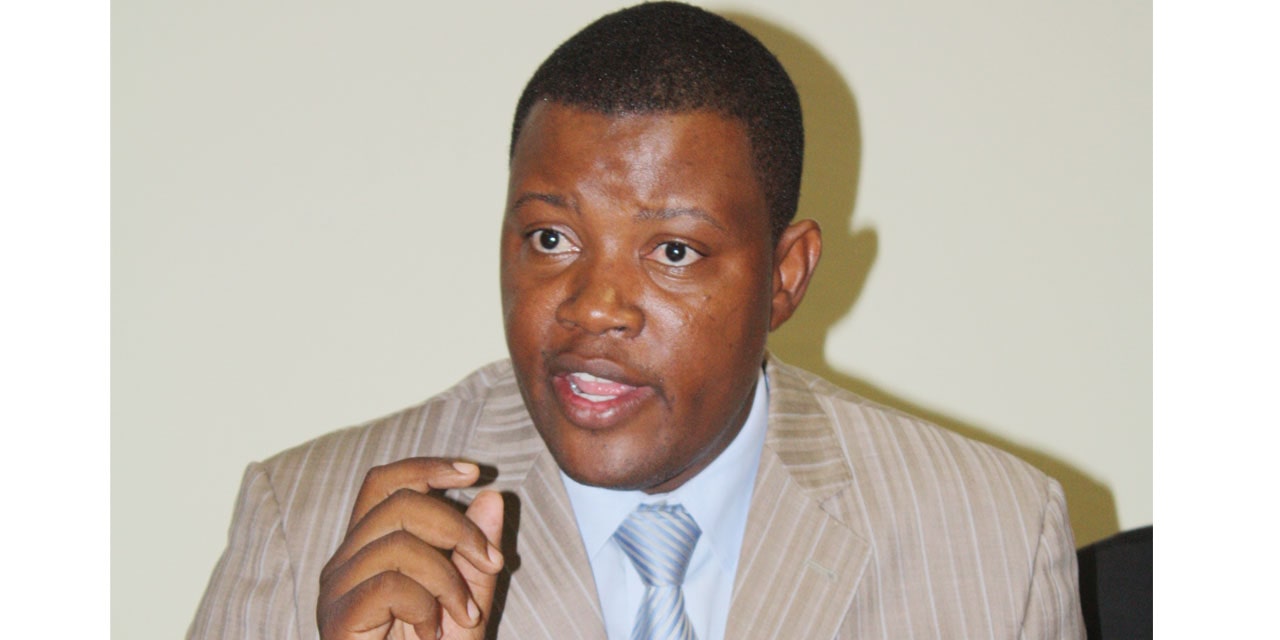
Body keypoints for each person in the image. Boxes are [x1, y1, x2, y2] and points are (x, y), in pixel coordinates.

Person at [188, 3, 1084, 639]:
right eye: (550, 238)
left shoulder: (994, 536)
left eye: (674, 251)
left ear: (785, 276)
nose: (592, 306)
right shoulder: (306, 523)